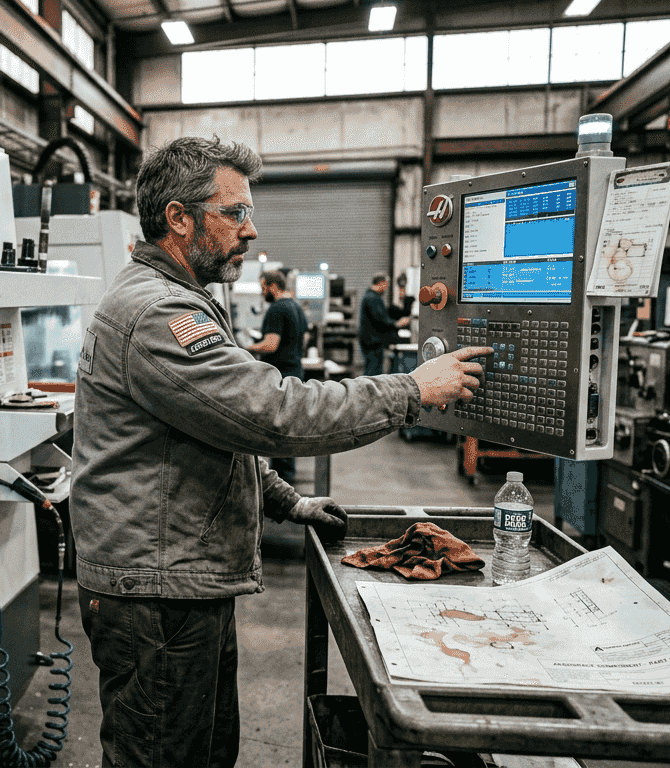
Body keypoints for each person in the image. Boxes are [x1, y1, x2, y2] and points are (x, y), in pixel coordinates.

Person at [70, 135, 489, 768]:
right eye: (234, 212)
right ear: (178, 218)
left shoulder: (183, 298)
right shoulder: (156, 313)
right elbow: (272, 413)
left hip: (177, 579)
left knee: (206, 753)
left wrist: (289, 502)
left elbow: (220, 434)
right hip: (154, 596)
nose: (251, 228)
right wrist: (411, 390)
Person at [247, 269, 307, 482]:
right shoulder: (296, 307)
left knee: (278, 428)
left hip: (279, 375)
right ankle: (287, 473)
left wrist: (245, 348)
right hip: (295, 372)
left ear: (272, 286)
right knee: (288, 427)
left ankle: (281, 478)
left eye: (263, 287)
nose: (262, 292)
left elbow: (271, 345)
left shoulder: (277, 309)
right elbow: (303, 339)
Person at [360, 272, 410, 377]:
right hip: (372, 342)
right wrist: (397, 324)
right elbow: (380, 320)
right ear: (381, 283)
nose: (387, 287)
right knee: (373, 372)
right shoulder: (373, 298)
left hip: (371, 341)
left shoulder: (370, 296)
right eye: (386, 284)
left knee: (372, 370)